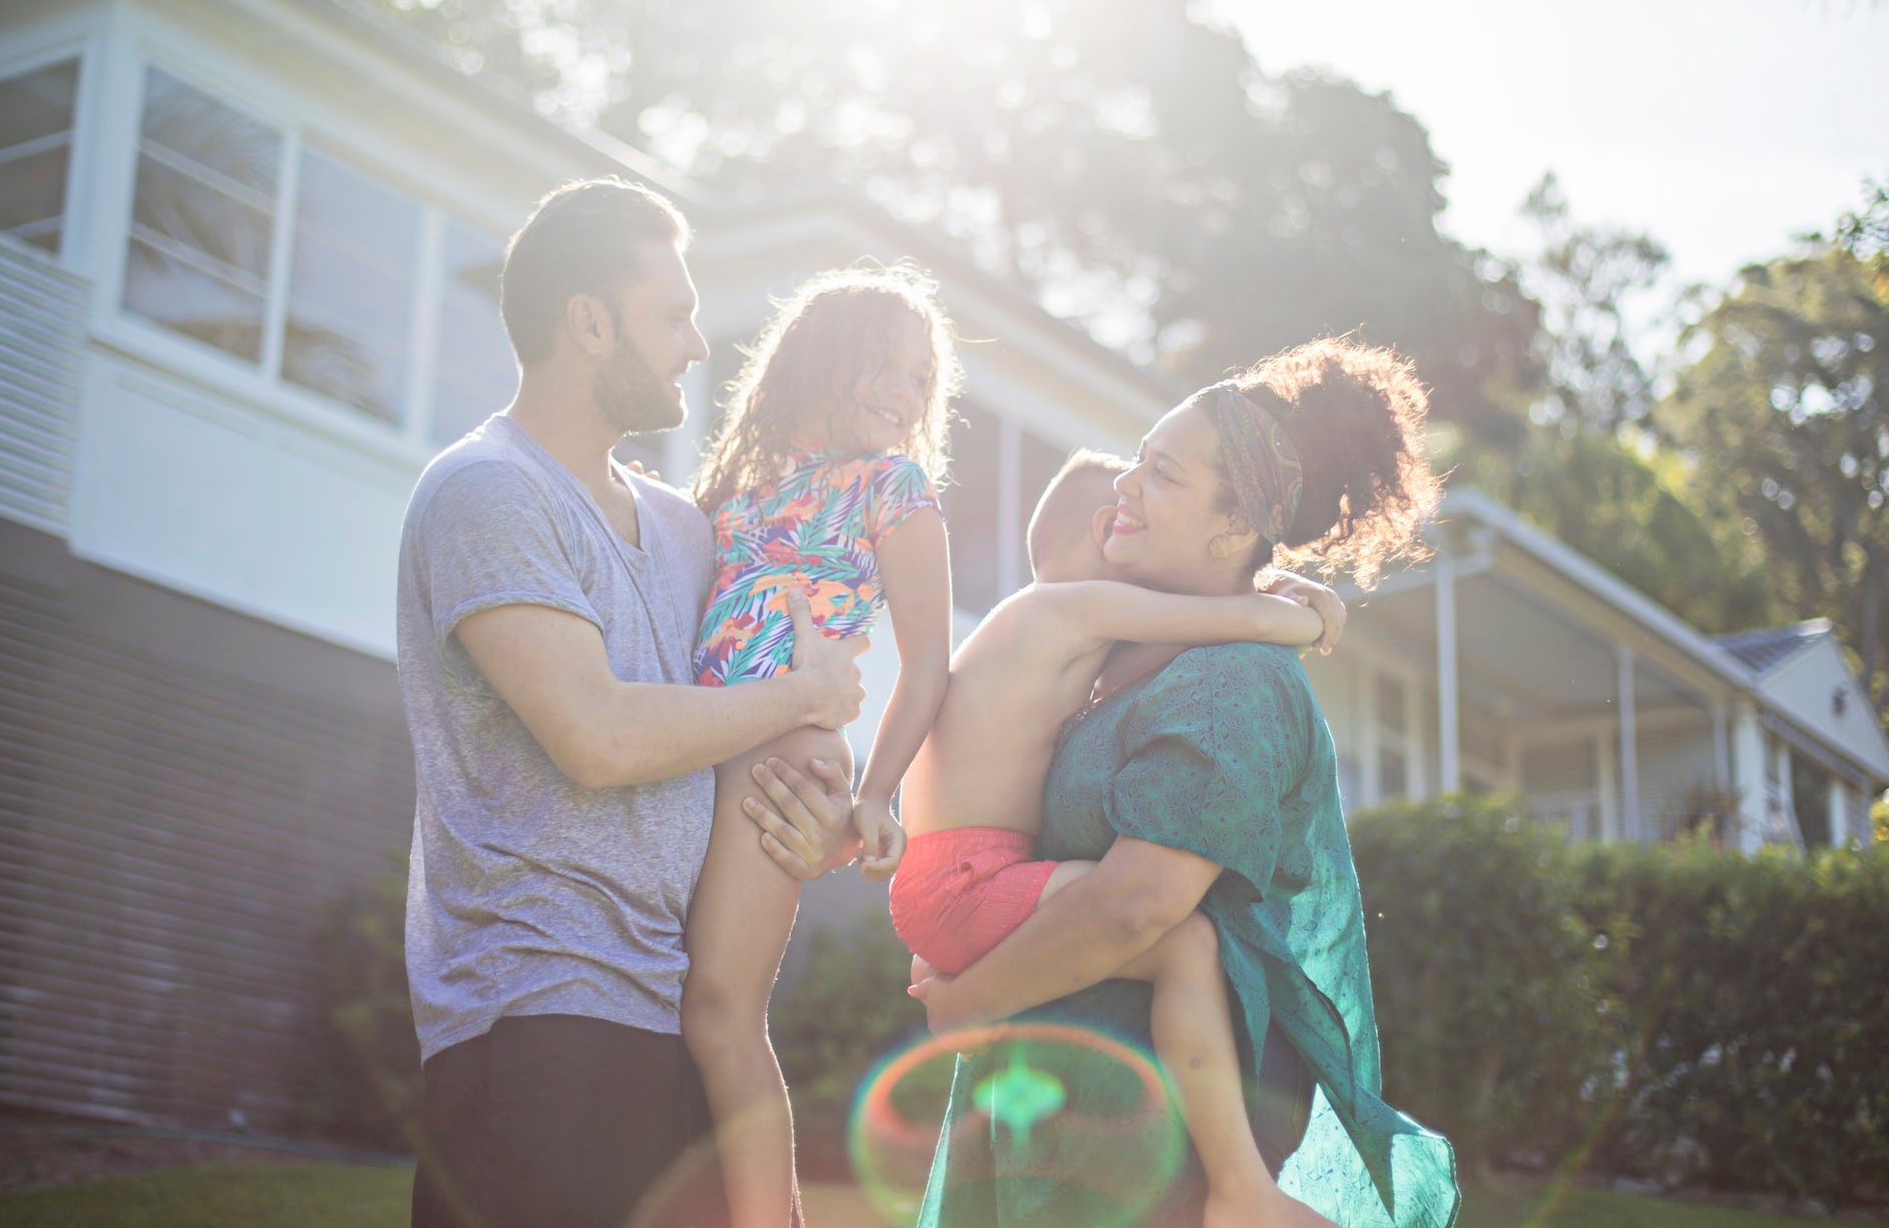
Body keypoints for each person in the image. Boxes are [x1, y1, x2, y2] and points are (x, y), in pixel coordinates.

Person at [781, 336, 1458, 1226]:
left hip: (1146, 1170)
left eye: (1163, 475)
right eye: (1137, 462)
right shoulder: (1117, 658)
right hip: (1059, 1146)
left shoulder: (1229, 683)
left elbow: (1137, 905)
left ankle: (1241, 1195)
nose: (1125, 490)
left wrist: (969, 1004)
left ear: (1232, 526)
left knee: (1185, 946)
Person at [395, 177, 869, 1228]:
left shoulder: (688, 531)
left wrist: (823, 810)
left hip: (677, 1017)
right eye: (675, 315)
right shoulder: (488, 492)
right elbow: (598, 736)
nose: (698, 344)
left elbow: (754, 727)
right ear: (590, 322)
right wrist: (807, 690)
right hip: (539, 1019)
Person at [890, 448, 1345, 1228]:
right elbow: (1231, 623)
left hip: (950, 875)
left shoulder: (1045, 634)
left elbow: (1184, 645)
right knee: (1187, 945)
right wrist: (1315, 614)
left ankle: (1241, 1185)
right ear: (1109, 531)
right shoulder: (1074, 610)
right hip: (968, 875)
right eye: (1134, 506)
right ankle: (1240, 1187)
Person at [682, 265, 958, 1228]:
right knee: (669, 1001)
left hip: (786, 761)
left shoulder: (894, 487)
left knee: (721, 1011)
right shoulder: (732, 486)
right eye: (882, 364)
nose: (903, 390)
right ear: (817, 361)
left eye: (920, 376)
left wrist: (877, 798)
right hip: (693, 748)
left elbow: (928, 665)